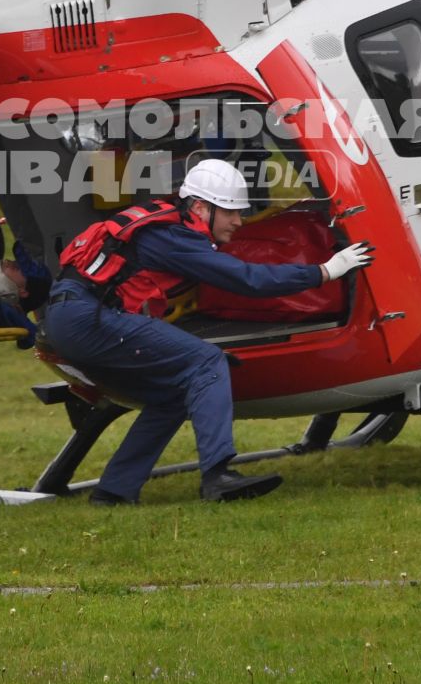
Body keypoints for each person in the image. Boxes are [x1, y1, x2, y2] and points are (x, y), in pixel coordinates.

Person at [40, 158, 371, 505]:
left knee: (171, 396)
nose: (238, 221)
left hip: (73, 317)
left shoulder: (168, 225)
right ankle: (217, 476)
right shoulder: (170, 237)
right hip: (87, 319)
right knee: (205, 361)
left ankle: (113, 493)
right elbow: (248, 279)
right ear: (199, 207)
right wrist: (325, 271)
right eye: (229, 212)